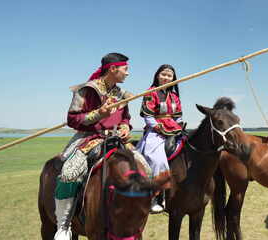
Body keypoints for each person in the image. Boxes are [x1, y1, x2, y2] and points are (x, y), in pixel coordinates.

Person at [54, 53, 133, 240]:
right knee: (69, 172)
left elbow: (126, 118)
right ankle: (64, 225)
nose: (128, 74)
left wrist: (125, 127)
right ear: (113, 69)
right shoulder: (87, 90)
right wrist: (99, 113)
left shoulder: (121, 94)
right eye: (126, 69)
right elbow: (72, 119)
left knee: (145, 166)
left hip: (116, 140)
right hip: (89, 138)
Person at [137, 64, 183, 213]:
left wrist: (176, 126)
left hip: (174, 128)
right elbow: (148, 116)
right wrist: (159, 128)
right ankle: (154, 196)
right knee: (157, 159)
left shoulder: (174, 96)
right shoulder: (151, 92)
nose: (166, 78)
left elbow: (178, 116)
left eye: (169, 76)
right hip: (155, 129)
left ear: (173, 79)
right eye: (163, 74)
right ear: (157, 75)